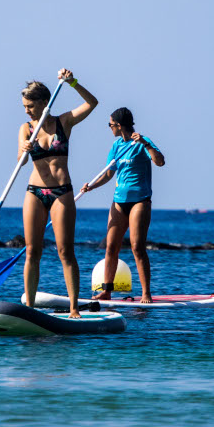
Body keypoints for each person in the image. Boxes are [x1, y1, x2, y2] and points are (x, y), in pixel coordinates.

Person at [20, 69, 98, 317]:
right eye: (24, 106)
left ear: (44, 103)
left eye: (30, 106)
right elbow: (20, 162)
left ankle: (74, 307)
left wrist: (73, 82)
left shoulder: (64, 122)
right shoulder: (25, 128)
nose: (26, 110)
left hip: (61, 193)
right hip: (34, 192)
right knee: (32, 251)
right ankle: (29, 308)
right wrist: (24, 148)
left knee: (65, 251)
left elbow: (92, 103)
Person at [81, 107, 165, 303]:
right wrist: (91, 186)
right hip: (119, 202)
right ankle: (106, 290)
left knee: (137, 247)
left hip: (140, 201)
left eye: (110, 125)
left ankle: (146, 293)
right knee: (111, 247)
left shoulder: (141, 142)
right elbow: (109, 173)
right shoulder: (116, 145)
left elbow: (160, 162)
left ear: (119, 125)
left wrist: (145, 143)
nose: (109, 128)